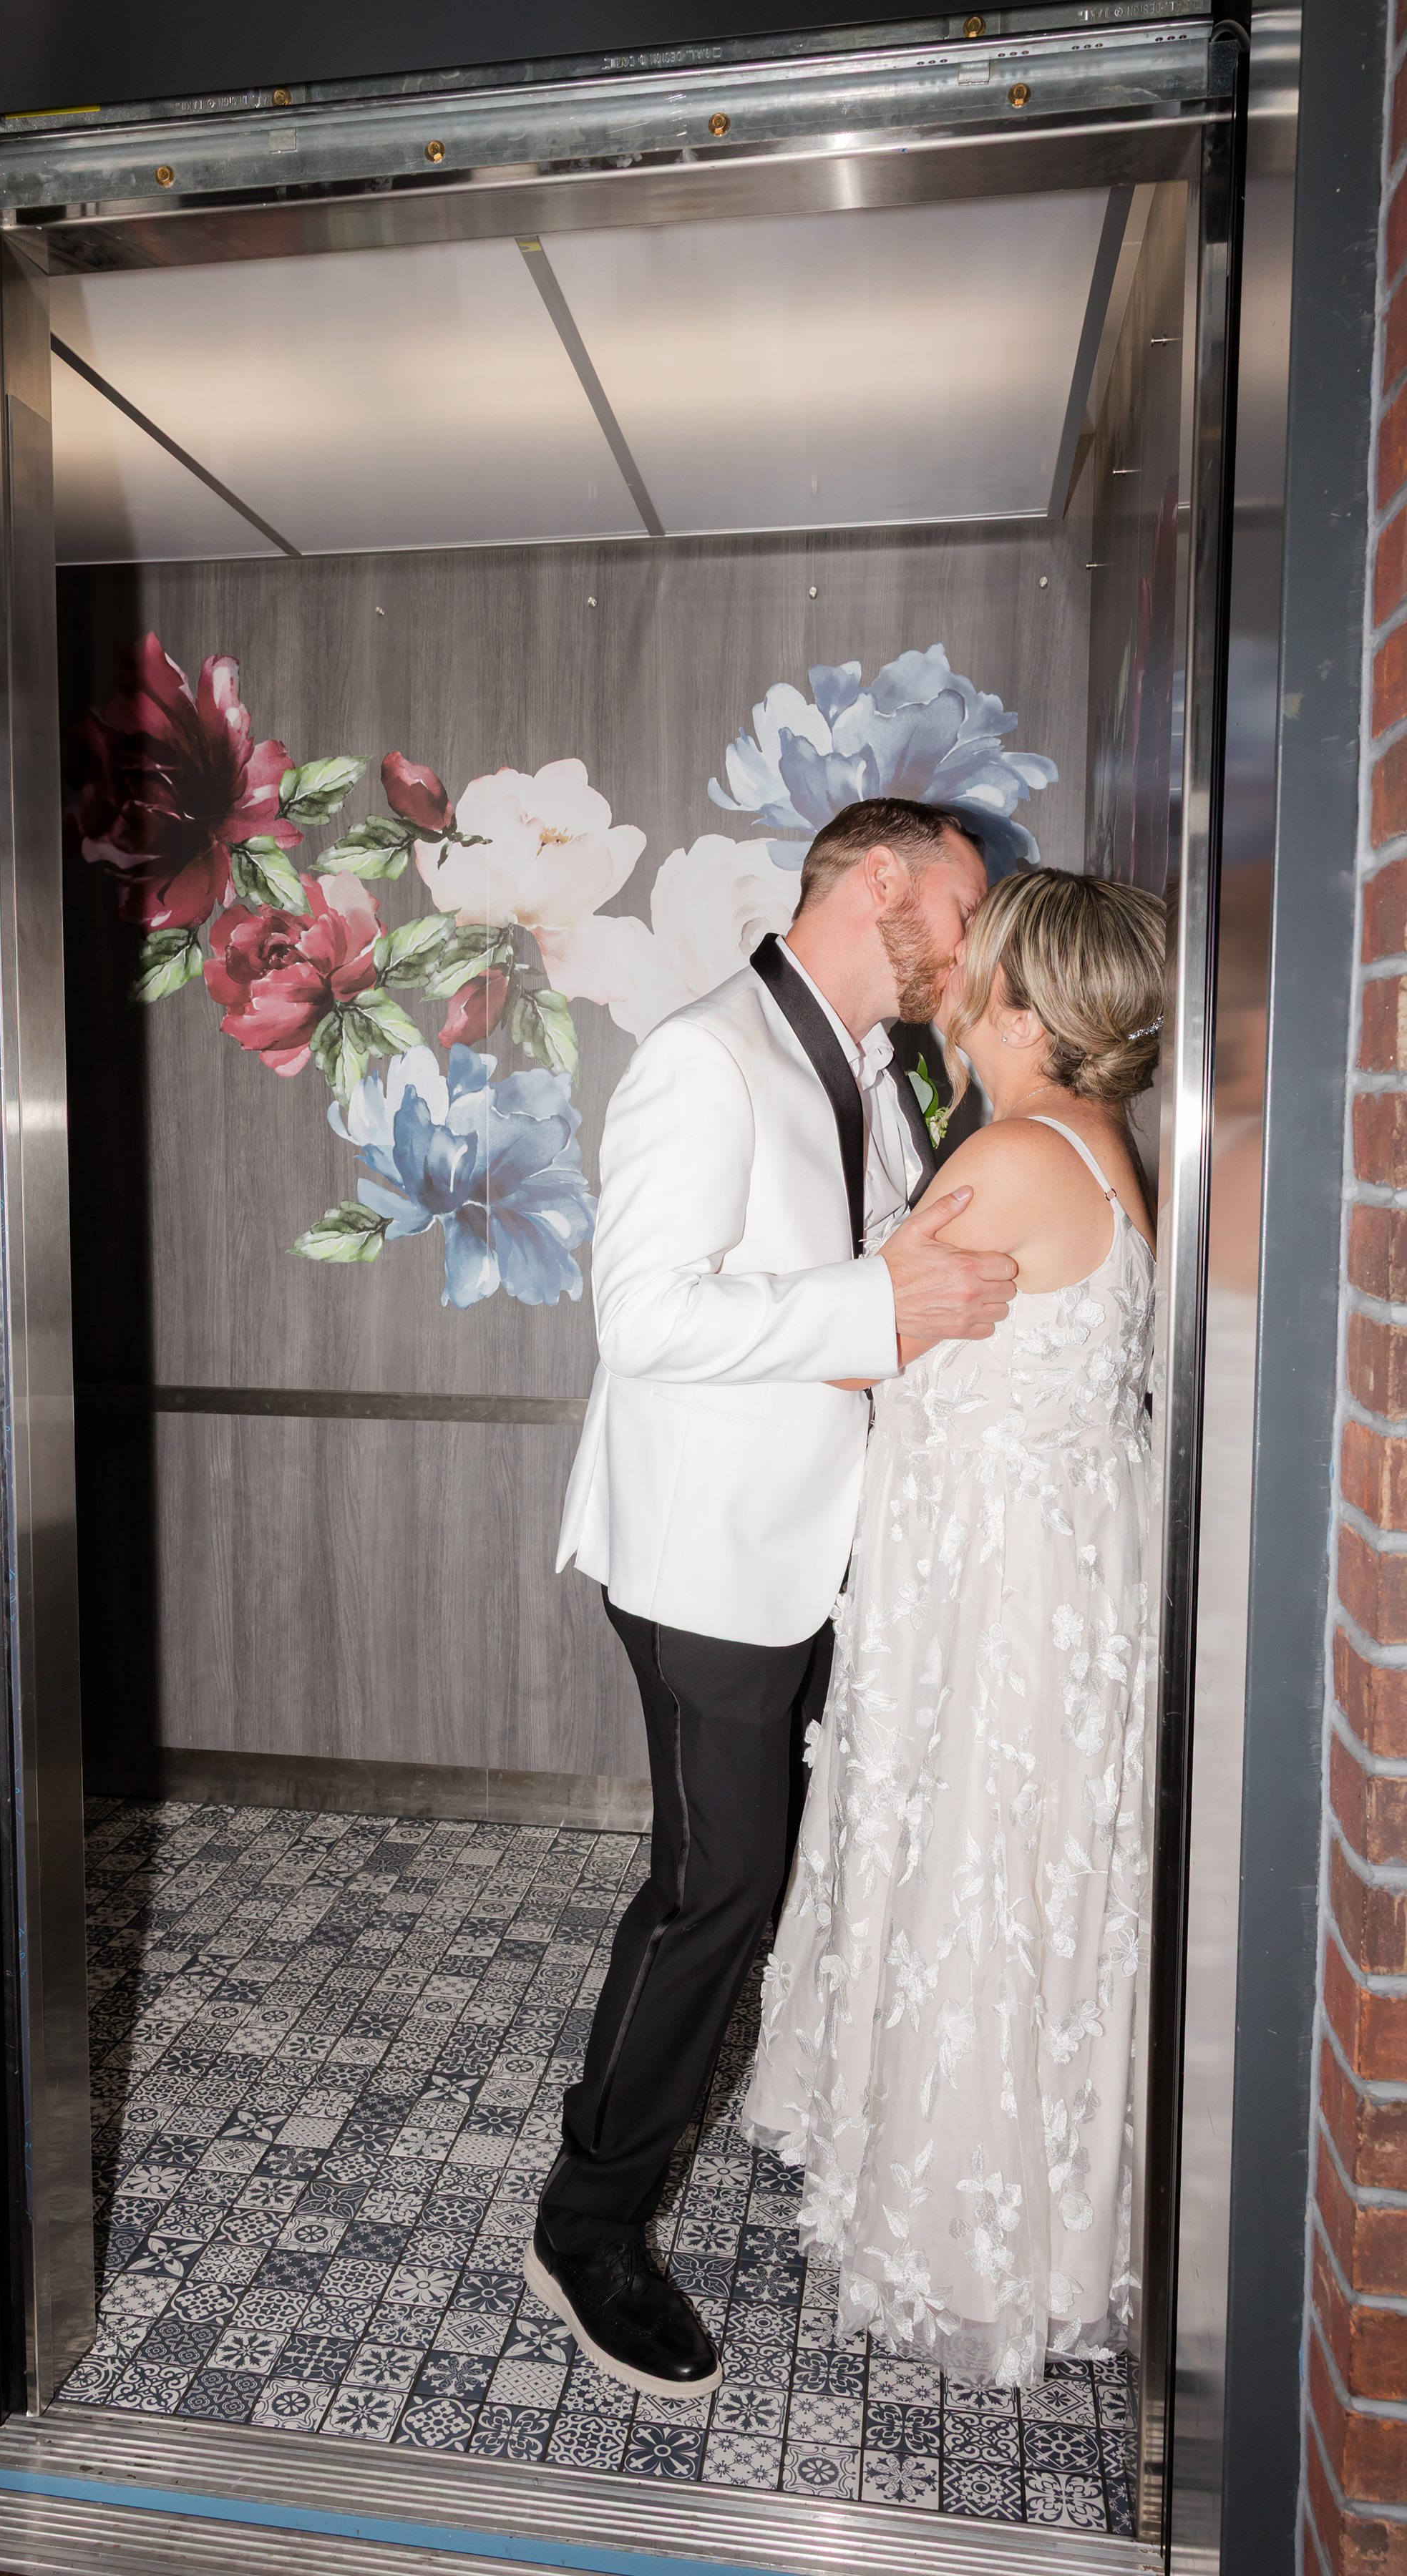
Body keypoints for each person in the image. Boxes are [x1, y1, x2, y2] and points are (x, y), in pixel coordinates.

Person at [533, 795, 1020, 2397]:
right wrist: (883, 1297)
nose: (972, 934)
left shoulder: (885, 1069)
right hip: (706, 1552)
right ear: (879, 880)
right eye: (963, 900)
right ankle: (587, 2223)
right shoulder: (702, 1053)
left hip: (810, 1541)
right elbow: (648, 1316)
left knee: (743, 1877)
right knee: (714, 1889)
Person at [744, 865, 1165, 2392]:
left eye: (977, 960)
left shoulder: (1003, 1163)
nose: (954, 976)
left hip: (992, 1594)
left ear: (1024, 1004)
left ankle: (962, 2233)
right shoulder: (1105, 1148)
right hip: (1051, 1572)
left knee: (978, 1871)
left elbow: (866, 1354)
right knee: (1035, 1882)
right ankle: (1034, 2209)